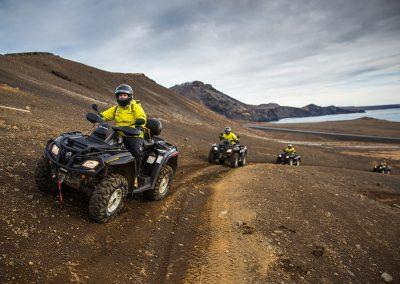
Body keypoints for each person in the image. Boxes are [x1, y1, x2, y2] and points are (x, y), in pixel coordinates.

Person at [100, 84, 146, 187]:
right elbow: (105, 115)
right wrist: (98, 117)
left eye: (124, 95)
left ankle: (135, 176)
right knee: (103, 148)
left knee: (136, 153)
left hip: (134, 135)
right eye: (120, 95)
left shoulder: (135, 106)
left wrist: (139, 126)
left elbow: (142, 117)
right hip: (118, 133)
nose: (122, 97)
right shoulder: (116, 109)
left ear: (130, 96)